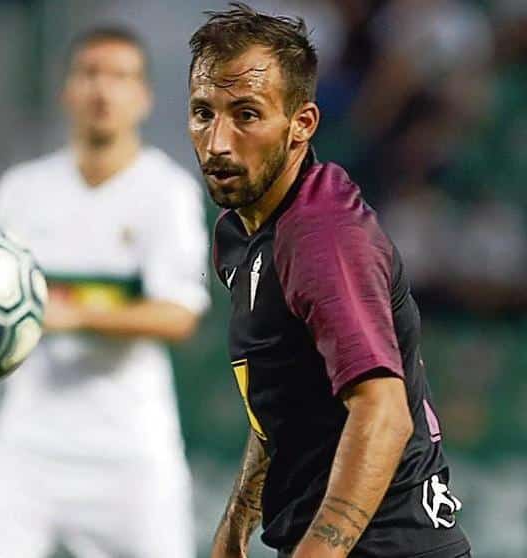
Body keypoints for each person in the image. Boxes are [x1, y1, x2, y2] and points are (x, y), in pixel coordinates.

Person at [187, 4, 471, 558]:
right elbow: (285, 397)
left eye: (246, 114)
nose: (218, 142)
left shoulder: (322, 235)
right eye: (203, 113)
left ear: (302, 124)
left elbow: (382, 414)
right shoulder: (241, 236)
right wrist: (236, 521)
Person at [0, 27, 210, 558]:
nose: (102, 90)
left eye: (119, 77)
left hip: (130, 453)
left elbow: (179, 315)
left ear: (144, 98)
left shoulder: (167, 193)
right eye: (89, 74)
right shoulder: (22, 190)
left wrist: (67, 315)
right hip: (27, 444)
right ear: (67, 90)